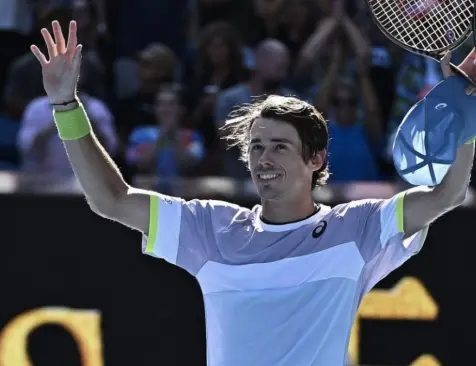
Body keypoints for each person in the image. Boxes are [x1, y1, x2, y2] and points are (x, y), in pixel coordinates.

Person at [31, 21, 474, 365]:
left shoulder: (357, 229)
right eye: (257, 147)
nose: (264, 158)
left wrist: (464, 113)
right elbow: (109, 199)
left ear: (315, 159)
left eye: (280, 147)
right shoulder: (210, 228)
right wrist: (65, 106)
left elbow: (447, 195)